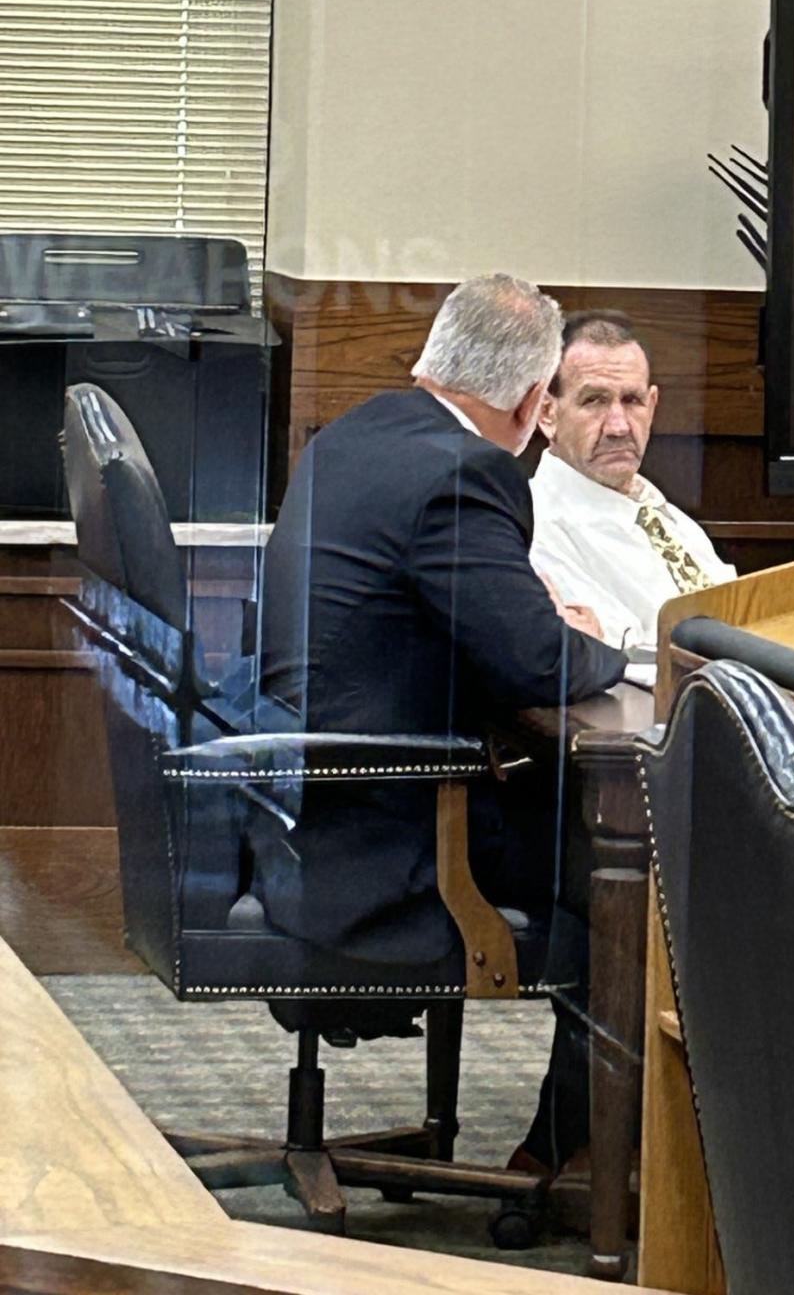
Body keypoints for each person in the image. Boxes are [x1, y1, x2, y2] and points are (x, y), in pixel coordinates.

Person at [258, 273, 626, 1173]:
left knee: (604, 862)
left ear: (436, 359)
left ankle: (567, 1150)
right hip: (392, 830)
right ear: (535, 399)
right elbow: (541, 661)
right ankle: (577, 1163)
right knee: (637, 881)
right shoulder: (464, 472)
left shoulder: (356, 435)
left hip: (313, 807)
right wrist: (600, 638)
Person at [529, 311, 736, 653]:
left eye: (632, 401)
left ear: (652, 406)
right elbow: (611, 657)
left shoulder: (667, 517)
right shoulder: (537, 529)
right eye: (594, 401)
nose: (619, 426)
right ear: (547, 413)